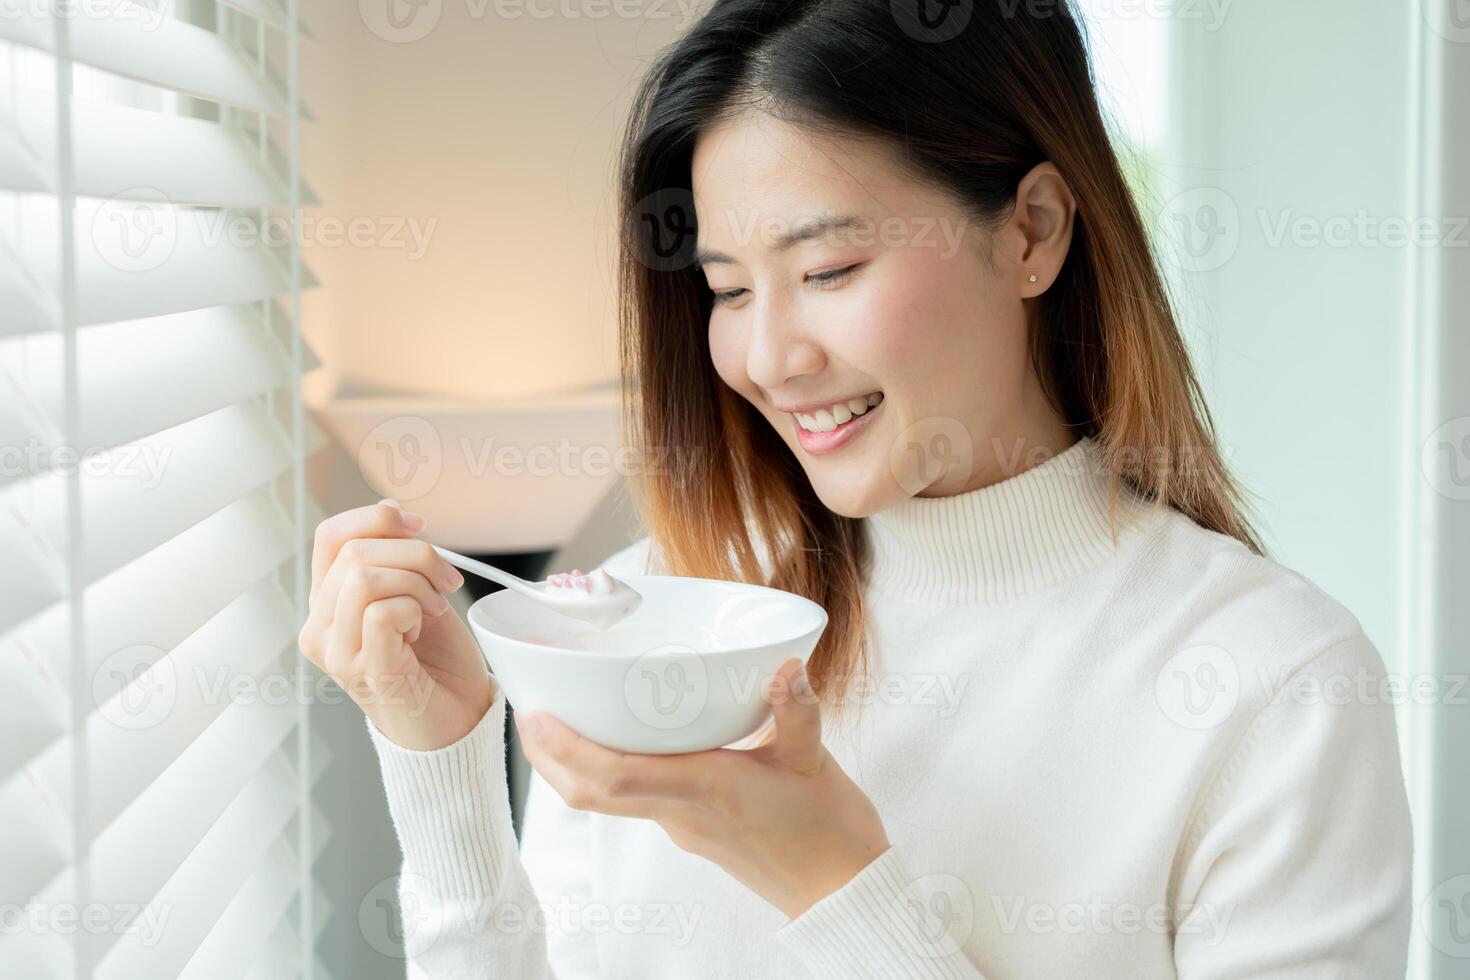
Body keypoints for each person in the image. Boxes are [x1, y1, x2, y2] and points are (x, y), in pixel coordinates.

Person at [297, 0, 1414, 975]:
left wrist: (830, 878)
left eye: (828, 271)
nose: (770, 357)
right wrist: (438, 758)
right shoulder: (648, 625)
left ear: (1032, 230)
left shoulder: (1275, 688)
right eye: (730, 288)